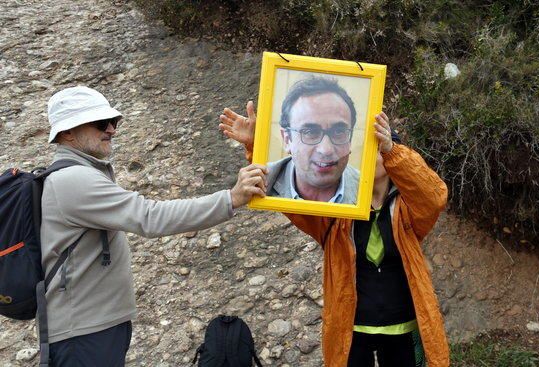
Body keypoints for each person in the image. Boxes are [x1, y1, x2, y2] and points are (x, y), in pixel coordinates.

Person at [41, 86, 267, 366]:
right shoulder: (73, 180)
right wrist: (231, 199)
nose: (112, 129)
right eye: (101, 123)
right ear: (67, 132)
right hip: (84, 334)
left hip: (91, 329)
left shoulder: (77, 176)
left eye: (114, 122)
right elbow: (150, 216)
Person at [219, 104, 450, 366]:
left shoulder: (407, 212)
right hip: (352, 333)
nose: (369, 155)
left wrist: (391, 149)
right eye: (365, 149)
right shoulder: (334, 212)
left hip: (404, 329)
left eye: (378, 149)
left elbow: (434, 196)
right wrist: (255, 146)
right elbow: (285, 194)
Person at [221, 77, 359, 204]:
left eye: (339, 132)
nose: (326, 149)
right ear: (287, 140)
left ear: (350, 139)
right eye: (310, 132)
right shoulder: (262, 185)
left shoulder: (368, 191)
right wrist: (254, 145)